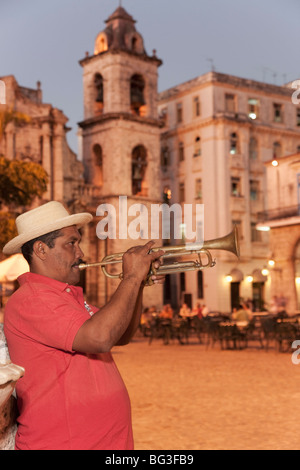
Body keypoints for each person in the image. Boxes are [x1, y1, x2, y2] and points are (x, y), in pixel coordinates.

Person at [2, 201, 165, 450]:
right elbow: (100, 338)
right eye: (71, 243)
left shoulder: (66, 296)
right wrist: (131, 277)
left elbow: (121, 335)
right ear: (41, 249)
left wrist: (139, 284)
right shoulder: (33, 298)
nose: (80, 253)